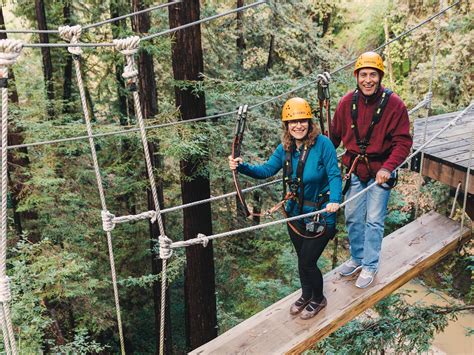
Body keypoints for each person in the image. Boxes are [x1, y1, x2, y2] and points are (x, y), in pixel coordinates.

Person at [228, 97, 342, 319]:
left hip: (320, 214)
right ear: (286, 125)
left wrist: (334, 201)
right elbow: (266, 170)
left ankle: (318, 298)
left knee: (308, 261)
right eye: (292, 122)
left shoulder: (323, 144)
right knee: (301, 257)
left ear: (309, 122)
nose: (298, 125)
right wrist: (241, 167)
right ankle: (306, 293)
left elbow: (335, 174)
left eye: (302, 121)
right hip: (295, 214)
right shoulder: (286, 148)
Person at [330, 51, 412, 288]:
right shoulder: (346, 103)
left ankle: (370, 265)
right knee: (353, 217)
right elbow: (334, 136)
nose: (368, 80)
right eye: (363, 74)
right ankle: (357, 257)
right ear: (357, 76)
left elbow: (403, 141)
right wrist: (315, 158)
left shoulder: (394, 105)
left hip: (381, 171)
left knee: (374, 220)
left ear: (380, 76)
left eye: (373, 75)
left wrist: (388, 167)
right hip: (355, 168)